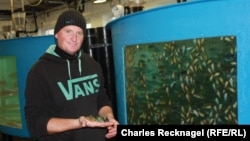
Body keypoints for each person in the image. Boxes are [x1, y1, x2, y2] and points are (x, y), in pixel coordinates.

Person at [24, 9, 119, 141]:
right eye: (68, 31)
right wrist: (80, 122)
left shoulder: (92, 64)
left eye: (79, 33)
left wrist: (109, 117)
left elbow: (102, 100)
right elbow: (35, 123)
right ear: (57, 34)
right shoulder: (39, 72)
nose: (74, 38)